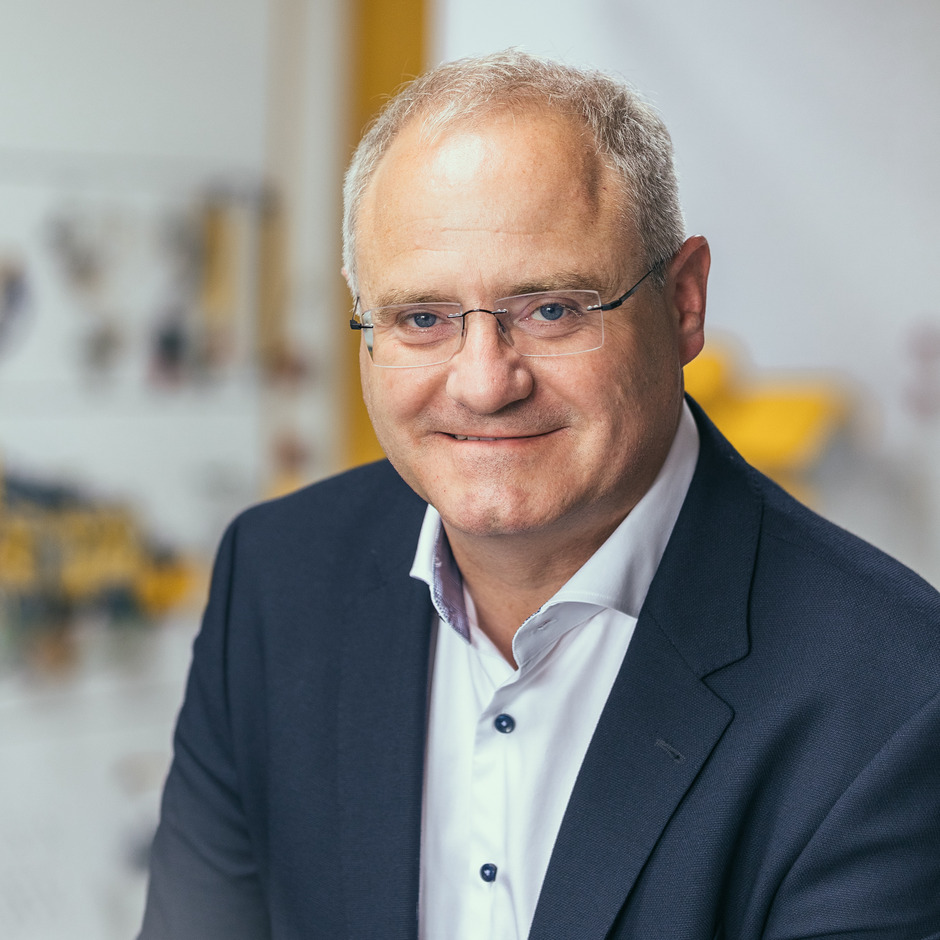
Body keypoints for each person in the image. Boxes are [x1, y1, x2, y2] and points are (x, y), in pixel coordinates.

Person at [139, 51, 940, 939]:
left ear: (683, 304)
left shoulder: (895, 696)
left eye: (552, 309)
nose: (485, 384)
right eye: (422, 318)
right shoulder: (274, 579)